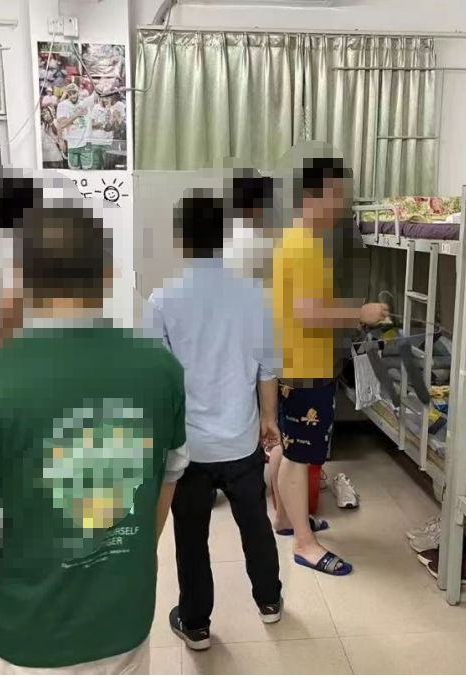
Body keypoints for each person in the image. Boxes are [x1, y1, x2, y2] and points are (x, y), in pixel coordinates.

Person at [0, 184, 190, 674]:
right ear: (109, 275)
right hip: (125, 621)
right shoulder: (161, 369)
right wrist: (129, 557)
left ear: (21, 278)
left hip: (27, 636)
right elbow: (169, 475)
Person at [148, 190, 283, 652]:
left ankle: (196, 623)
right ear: (225, 236)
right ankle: (269, 601)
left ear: (180, 239)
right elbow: (268, 368)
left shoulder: (162, 299)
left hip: (189, 447)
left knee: (190, 536)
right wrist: (268, 419)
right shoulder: (255, 296)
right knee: (255, 524)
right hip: (241, 439)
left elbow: (160, 380)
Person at [268, 156, 389, 577]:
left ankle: (286, 519)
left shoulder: (303, 241)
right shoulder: (302, 245)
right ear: (311, 195)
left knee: (290, 449)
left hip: (301, 361)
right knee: (299, 456)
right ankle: (304, 543)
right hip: (304, 366)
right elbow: (307, 313)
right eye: (336, 197)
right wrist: (360, 313)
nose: (342, 206)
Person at [56, 83, 94, 170]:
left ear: (78, 92)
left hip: (86, 142)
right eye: (70, 94)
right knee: (74, 170)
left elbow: (99, 90)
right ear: (67, 94)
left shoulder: (85, 103)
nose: (72, 96)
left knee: (88, 170)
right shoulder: (63, 105)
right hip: (72, 143)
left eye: (74, 93)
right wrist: (77, 114)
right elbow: (61, 124)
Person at [86, 92, 116, 170]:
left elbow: (111, 127)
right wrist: (102, 125)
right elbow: (91, 124)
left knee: (106, 165)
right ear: (101, 98)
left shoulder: (112, 110)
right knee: (95, 165)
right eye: (105, 98)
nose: (106, 100)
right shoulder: (96, 107)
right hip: (96, 141)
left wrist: (108, 111)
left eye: (108, 98)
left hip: (107, 142)